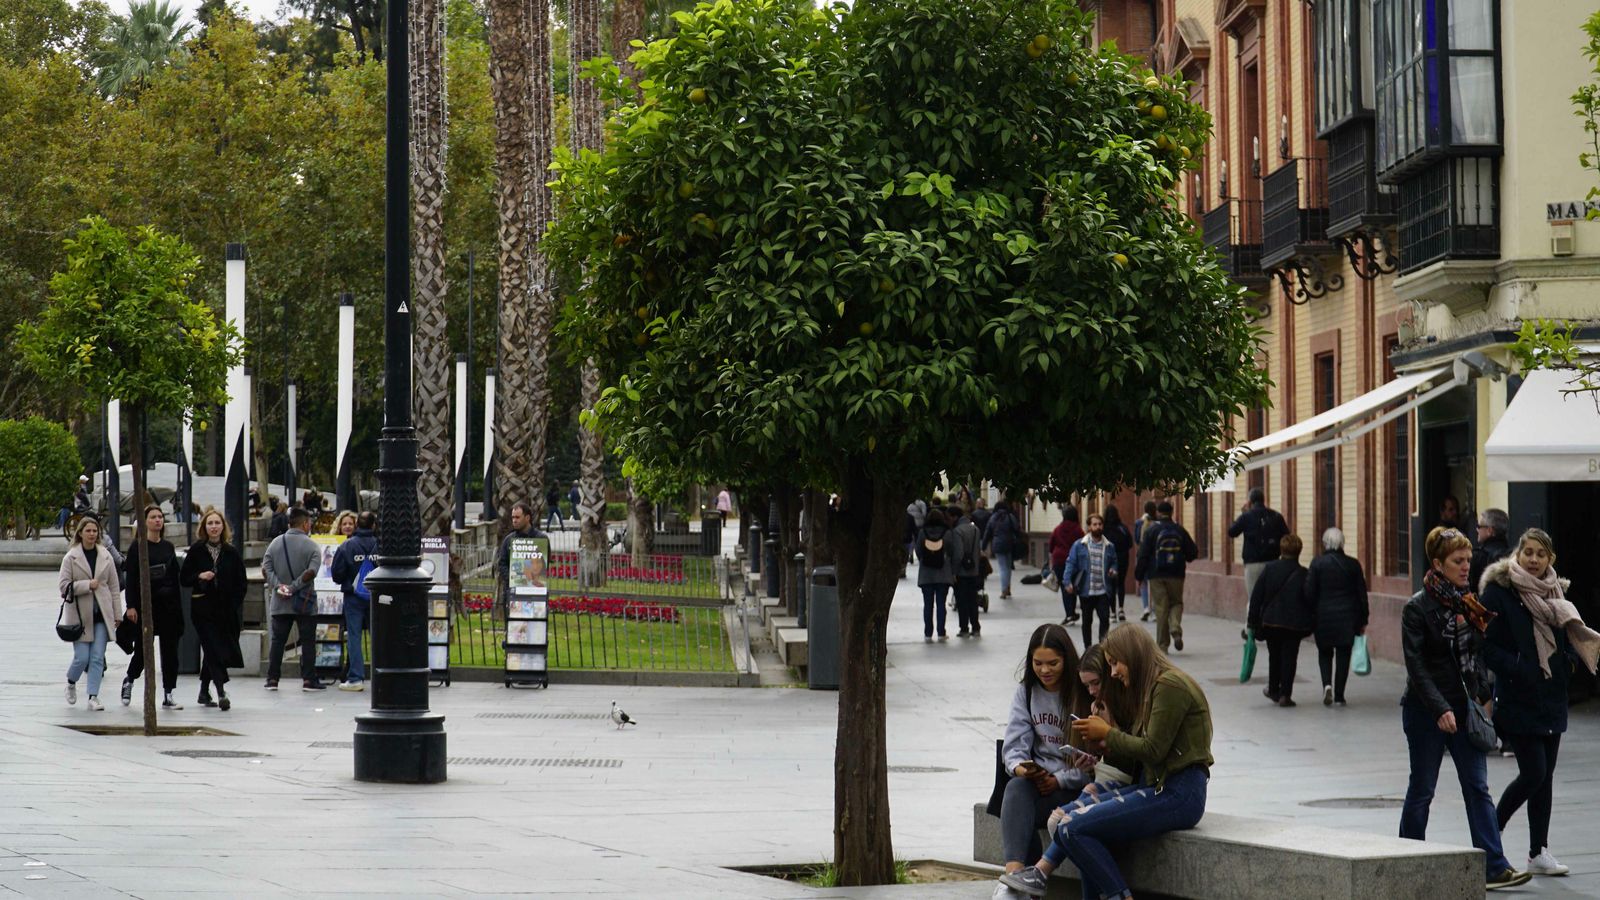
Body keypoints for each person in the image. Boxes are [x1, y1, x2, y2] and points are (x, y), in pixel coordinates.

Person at [999, 623, 1213, 900]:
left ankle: (1114, 894)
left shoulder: (1169, 685)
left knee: (1073, 828)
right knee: (1070, 824)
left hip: (1179, 792)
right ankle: (1033, 876)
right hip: (1156, 786)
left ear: (1132, 656)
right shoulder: (1151, 689)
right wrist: (1102, 749)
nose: (1113, 672)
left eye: (1115, 664)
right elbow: (1140, 755)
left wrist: (1108, 735)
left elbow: (1153, 750)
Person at [1398, 526, 1531, 891]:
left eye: (1469, 560)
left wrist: (1485, 695)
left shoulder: (1469, 603)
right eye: (1458, 561)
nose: (1465, 567)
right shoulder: (1417, 608)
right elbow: (1417, 666)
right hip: (1426, 711)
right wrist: (1440, 707)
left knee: (1477, 787)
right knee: (1423, 788)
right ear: (1438, 564)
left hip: (1467, 709)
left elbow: (1477, 656)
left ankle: (1493, 866)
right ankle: (1405, 859)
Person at [1480, 528, 1600, 878]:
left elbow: (1565, 638)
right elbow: (1486, 646)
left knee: (1544, 778)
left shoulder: (1556, 591)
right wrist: (1519, 666)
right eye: (1527, 552)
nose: (1533, 560)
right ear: (1517, 554)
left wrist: (1568, 663)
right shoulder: (1498, 593)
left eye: (1540, 554)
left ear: (1550, 560)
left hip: (1551, 697)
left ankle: (1538, 851)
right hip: (1517, 697)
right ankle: (1491, 835)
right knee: (1533, 773)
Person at [994, 624, 1095, 891]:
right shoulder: (1026, 691)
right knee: (1016, 789)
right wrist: (1021, 770)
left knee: (1022, 813)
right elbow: (1014, 746)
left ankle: (1021, 887)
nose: (1045, 670)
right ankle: (1014, 879)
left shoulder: (1083, 692)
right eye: (1038, 663)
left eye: (1053, 663)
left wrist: (1058, 780)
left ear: (1067, 660)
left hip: (1076, 788)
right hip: (1037, 785)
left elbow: (1095, 763)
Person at [180, 508, 245, 711]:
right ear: (204, 527)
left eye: (217, 523)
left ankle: (203, 690)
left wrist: (233, 604)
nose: (214, 527)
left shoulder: (231, 553)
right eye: (210, 523)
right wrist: (200, 576)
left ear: (223, 527)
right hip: (202, 608)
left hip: (224, 610)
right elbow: (184, 578)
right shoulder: (197, 550)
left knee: (213, 649)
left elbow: (241, 583)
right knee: (211, 645)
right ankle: (220, 691)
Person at [121, 504, 186, 709]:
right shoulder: (137, 547)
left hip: (168, 606)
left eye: (160, 517)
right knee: (142, 651)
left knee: (170, 652)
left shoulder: (168, 547)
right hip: (145, 607)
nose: (158, 520)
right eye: (153, 517)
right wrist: (131, 606)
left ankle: (168, 693)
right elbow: (131, 579)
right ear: (145, 521)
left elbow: (175, 578)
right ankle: (129, 680)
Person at [58, 516, 123, 711]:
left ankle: (93, 696)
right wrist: (87, 585)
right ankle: (71, 682)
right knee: (82, 657)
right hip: (80, 615)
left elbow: (114, 586)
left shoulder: (106, 555)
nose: (92, 534)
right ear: (80, 533)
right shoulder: (71, 557)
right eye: (88, 531)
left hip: (102, 615)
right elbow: (63, 586)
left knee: (97, 658)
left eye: (95, 531)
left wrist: (117, 614)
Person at [262, 507, 326, 692]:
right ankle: (308, 679)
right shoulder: (312, 546)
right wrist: (294, 587)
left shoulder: (274, 544)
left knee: (278, 641)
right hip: (304, 602)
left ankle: (272, 679)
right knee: (308, 641)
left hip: (280, 602)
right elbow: (311, 572)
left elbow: (266, 569)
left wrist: (279, 586)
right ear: (305, 524)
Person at [1305, 527, 1369, 707]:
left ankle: (1327, 685)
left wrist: (1311, 613)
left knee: (1324, 653)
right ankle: (1340, 694)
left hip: (1323, 616)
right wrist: (1363, 618)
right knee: (1343, 654)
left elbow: (1309, 592)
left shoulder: (1317, 563)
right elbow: (1361, 594)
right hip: (1347, 617)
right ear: (1342, 543)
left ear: (1325, 543)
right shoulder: (1353, 564)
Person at [1247, 534, 1312, 707]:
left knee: (1274, 656)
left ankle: (1274, 689)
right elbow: (1309, 599)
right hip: (1294, 624)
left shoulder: (1270, 569)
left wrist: (1252, 623)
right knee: (1290, 657)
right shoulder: (1304, 573)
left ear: (1281, 550)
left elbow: (1256, 597)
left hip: (1271, 622)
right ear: (1299, 552)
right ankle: (1286, 695)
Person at [1134, 501, 1198, 654]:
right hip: (1176, 574)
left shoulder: (1151, 530)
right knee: (1176, 602)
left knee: (1161, 608)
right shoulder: (1179, 530)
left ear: (1158, 512)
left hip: (1156, 575)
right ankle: (1175, 627)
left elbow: (1142, 554)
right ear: (1172, 512)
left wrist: (1139, 575)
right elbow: (1193, 552)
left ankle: (1162, 646)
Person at [330, 510, 379, 692]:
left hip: (353, 595)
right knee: (379, 637)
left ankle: (356, 677)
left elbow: (337, 574)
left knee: (354, 636)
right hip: (377, 596)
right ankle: (380, 674)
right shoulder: (380, 545)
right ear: (374, 525)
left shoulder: (347, 546)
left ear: (357, 524)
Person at [1227, 487, 1289, 614]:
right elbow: (1287, 537)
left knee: (1254, 598)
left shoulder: (1246, 516)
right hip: (1273, 563)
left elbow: (1232, 532)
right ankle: (1269, 626)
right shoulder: (1276, 516)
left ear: (1250, 502)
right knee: (1270, 598)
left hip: (1253, 564)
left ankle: (1250, 630)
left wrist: (1243, 513)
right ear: (1263, 500)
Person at [1063, 513, 1117, 648]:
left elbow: (1114, 562)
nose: (1098, 527)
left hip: (1103, 590)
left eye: (1100, 524)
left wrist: (1113, 569)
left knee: (1105, 618)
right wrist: (1067, 581)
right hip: (1086, 591)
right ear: (1089, 527)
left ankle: (1102, 646)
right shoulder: (1079, 545)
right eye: (1094, 524)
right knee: (1087, 621)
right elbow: (1071, 563)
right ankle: (1088, 647)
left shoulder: (1109, 546)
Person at [915, 508, 956, 641]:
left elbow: (918, 551)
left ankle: (928, 633)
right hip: (943, 574)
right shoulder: (947, 533)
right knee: (941, 605)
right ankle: (941, 633)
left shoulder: (922, 532)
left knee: (928, 605)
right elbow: (951, 551)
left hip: (926, 575)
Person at [496, 501, 548, 603]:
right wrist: (512, 580)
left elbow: (546, 561)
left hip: (536, 594)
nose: (514, 521)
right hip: (513, 592)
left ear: (527, 518)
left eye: (517, 517)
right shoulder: (508, 540)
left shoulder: (541, 538)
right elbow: (501, 563)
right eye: (513, 517)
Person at [948, 505, 983, 637]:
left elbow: (958, 554)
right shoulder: (975, 529)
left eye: (949, 517)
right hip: (973, 570)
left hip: (962, 572)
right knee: (973, 600)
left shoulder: (957, 531)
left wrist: (954, 572)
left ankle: (964, 628)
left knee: (962, 601)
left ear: (955, 517)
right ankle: (976, 627)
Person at [1048, 506, 1085, 625]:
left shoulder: (1058, 529)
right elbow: (1083, 545)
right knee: (1073, 586)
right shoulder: (1078, 530)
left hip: (1059, 560)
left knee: (1065, 587)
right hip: (1074, 561)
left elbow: (1051, 545)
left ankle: (1069, 614)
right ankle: (1071, 613)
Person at [982, 500, 1023, 600]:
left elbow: (988, 532)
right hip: (1009, 544)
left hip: (997, 544)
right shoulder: (1010, 516)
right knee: (1008, 567)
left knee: (1002, 567)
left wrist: (983, 546)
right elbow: (1017, 528)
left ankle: (1004, 589)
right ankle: (1007, 588)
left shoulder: (993, 517)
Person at [1469, 508, 1511, 597]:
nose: (1477, 529)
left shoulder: (1478, 556)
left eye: (1479, 526)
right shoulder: (1513, 555)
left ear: (1490, 530)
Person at [1102, 506, 1133, 623]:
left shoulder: (1103, 529)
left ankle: (1112, 612)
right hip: (1123, 559)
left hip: (1108, 560)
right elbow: (1130, 543)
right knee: (1121, 583)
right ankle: (1121, 609)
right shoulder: (1122, 528)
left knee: (1110, 585)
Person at [1132, 500, 1158, 622]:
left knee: (1143, 582)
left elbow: (1137, 540)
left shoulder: (1139, 523)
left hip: (1142, 556)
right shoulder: (1158, 524)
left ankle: (1146, 608)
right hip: (1155, 557)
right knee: (1153, 583)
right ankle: (1154, 611)